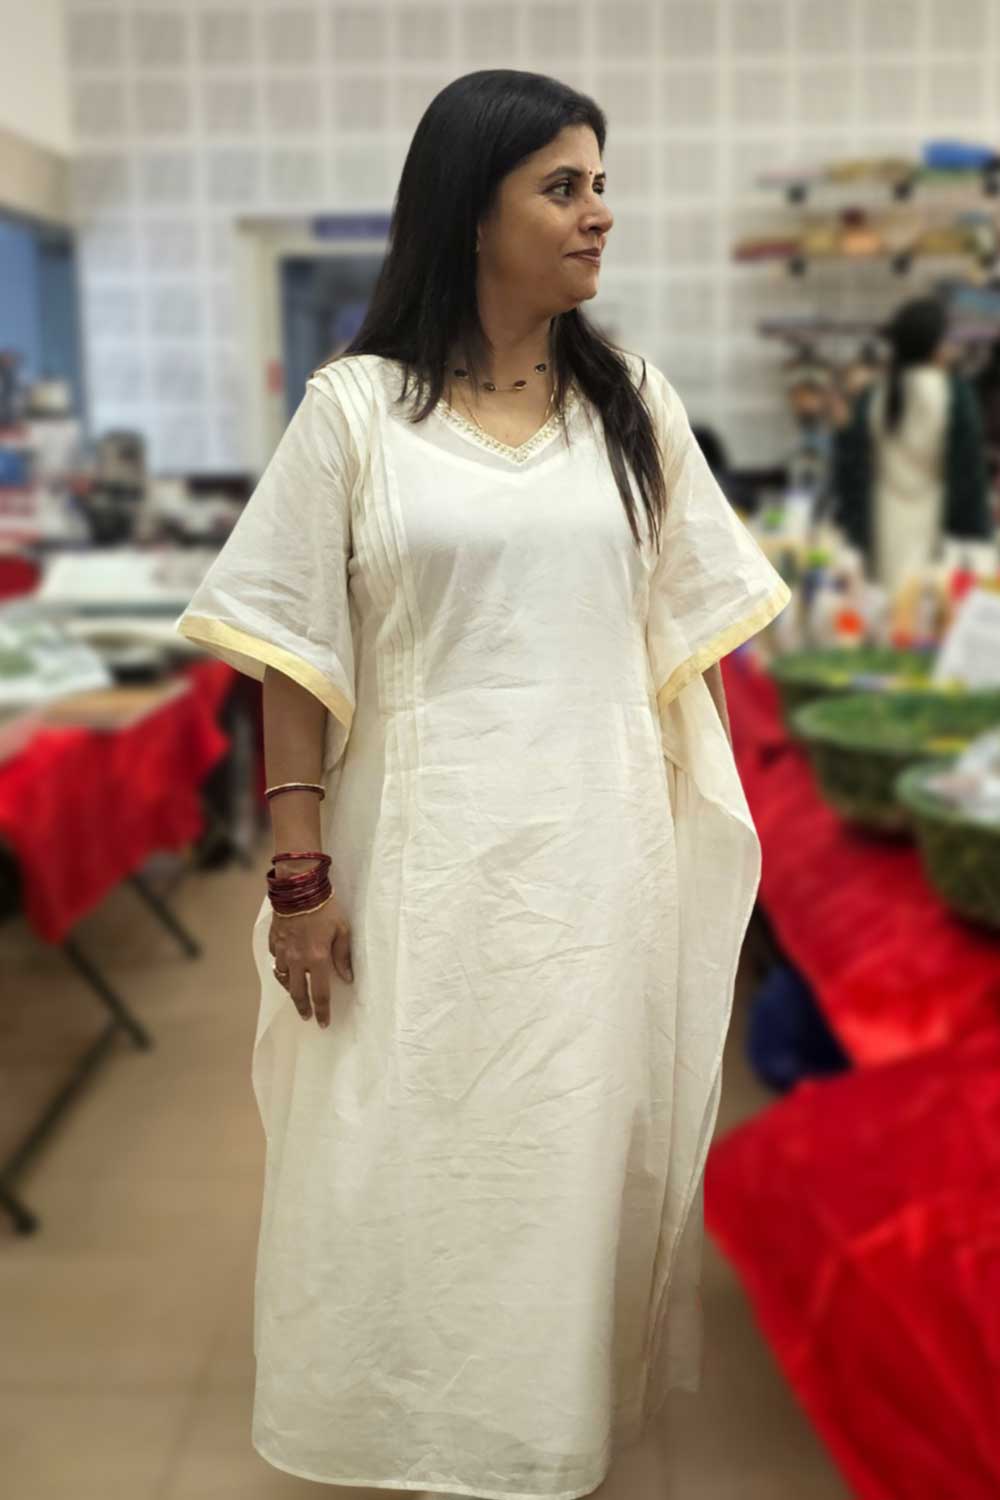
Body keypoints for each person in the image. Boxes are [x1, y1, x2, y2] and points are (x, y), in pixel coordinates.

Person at [175, 69, 790, 1500]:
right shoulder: (356, 413)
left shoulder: (631, 409)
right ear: (470, 211)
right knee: (403, 1143)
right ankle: (408, 1430)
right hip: (418, 854)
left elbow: (687, 642)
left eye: (600, 184)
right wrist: (299, 873)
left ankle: (540, 1443)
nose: (600, 213)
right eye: (563, 187)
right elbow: (291, 649)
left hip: (594, 862)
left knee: (564, 1141)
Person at [832, 296, 993, 595]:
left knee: (887, 608)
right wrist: (978, 537)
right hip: (938, 528)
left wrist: (853, 533)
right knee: (931, 608)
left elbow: (850, 474)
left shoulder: (875, 396)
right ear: (937, 345)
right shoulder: (955, 395)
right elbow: (969, 476)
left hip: (883, 525)